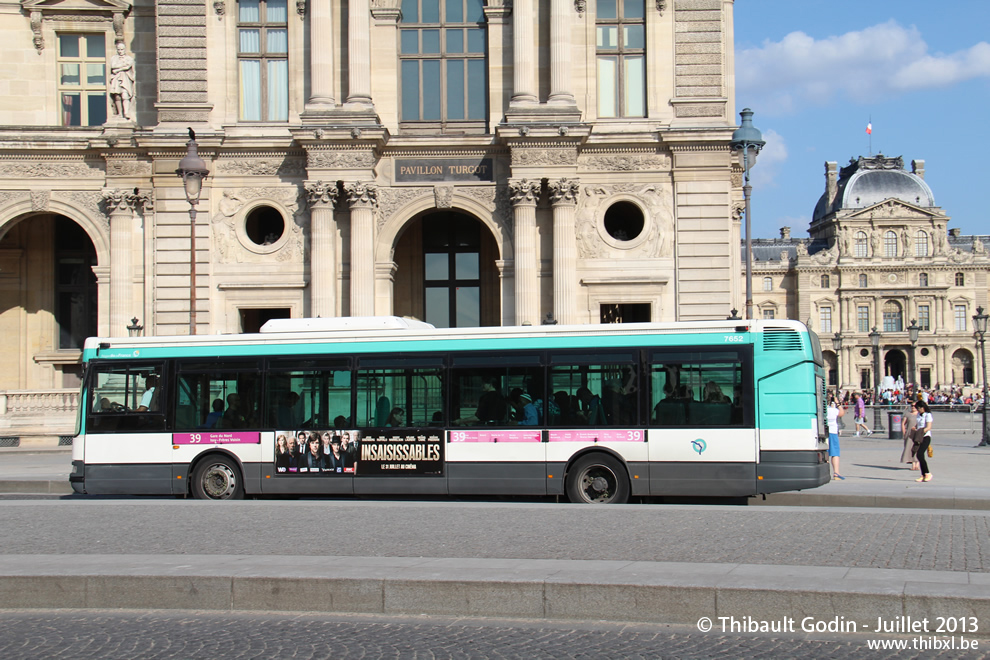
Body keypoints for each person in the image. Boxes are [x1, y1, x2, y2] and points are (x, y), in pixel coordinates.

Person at [108, 41, 135, 120]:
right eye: (119, 49)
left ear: (125, 49)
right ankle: (120, 113)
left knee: (125, 95)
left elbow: (127, 67)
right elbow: (113, 66)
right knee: (117, 95)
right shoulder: (114, 58)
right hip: (116, 78)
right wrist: (122, 66)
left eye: (122, 49)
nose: (120, 51)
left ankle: (126, 112)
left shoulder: (129, 58)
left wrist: (118, 69)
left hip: (125, 78)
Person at [826, 396, 846, 480]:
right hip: (833, 432)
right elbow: (842, 413)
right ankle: (836, 473)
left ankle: (825, 472)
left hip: (823, 432)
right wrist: (837, 403)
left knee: (825, 453)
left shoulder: (821, 410)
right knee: (835, 453)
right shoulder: (833, 410)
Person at [914, 400, 934, 482]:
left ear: (923, 407)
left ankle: (928, 473)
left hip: (925, 436)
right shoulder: (919, 415)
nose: (918, 410)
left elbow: (928, 427)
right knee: (918, 455)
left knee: (920, 454)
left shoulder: (928, 415)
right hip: (919, 436)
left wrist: (921, 432)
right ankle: (923, 474)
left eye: (919, 408)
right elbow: (918, 424)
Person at [900, 401, 919, 470]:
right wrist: (904, 432)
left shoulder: (920, 414)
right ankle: (913, 464)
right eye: (912, 406)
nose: (913, 407)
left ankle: (918, 464)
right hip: (910, 433)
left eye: (914, 406)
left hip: (918, 433)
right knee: (910, 448)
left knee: (918, 448)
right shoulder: (907, 414)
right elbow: (903, 423)